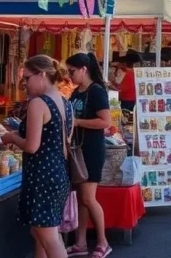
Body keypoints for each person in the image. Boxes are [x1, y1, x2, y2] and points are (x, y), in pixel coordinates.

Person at [1, 55, 72, 258]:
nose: (24, 83)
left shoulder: (38, 104)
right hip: (57, 173)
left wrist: (12, 137)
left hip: (42, 175)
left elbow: (32, 146)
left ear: (41, 75)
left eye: (27, 78)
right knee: (41, 232)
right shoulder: (65, 103)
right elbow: (64, 140)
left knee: (48, 236)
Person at [64, 53, 112, 258]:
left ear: (84, 69)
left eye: (72, 71)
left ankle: (103, 242)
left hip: (91, 150)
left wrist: (78, 123)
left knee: (89, 198)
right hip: (77, 151)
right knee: (82, 199)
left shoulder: (96, 92)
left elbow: (105, 122)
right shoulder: (76, 93)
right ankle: (80, 242)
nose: (69, 75)